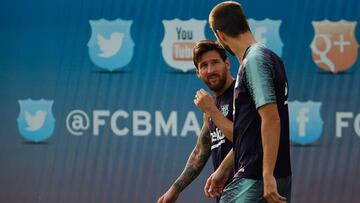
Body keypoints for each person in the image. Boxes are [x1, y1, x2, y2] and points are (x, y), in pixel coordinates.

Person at [205, 1, 292, 203]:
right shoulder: (270, 58)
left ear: (220, 35)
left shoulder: (254, 61)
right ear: (245, 24)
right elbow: (251, 130)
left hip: (256, 177)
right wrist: (224, 169)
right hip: (268, 175)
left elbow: (271, 118)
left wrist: (267, 174)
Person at [157, 40, 235, 203]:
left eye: (215, 63)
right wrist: (175, 189)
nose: (210, 70)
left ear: (227, 63)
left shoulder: (241, 93)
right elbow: (201, 150)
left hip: (251, 187)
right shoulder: (211, 106)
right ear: (198, 72)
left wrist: (212, 110)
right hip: (226, 193)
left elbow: (248, 138)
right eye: (204, 66)